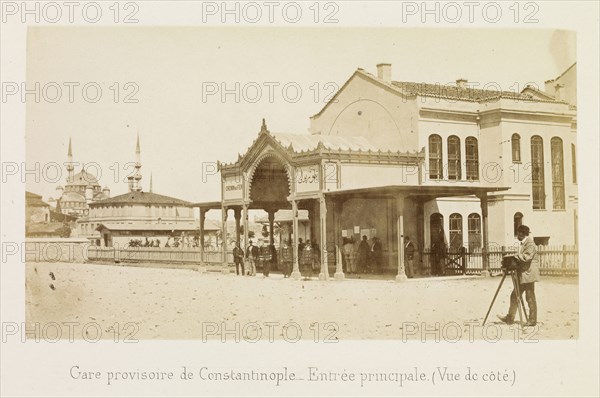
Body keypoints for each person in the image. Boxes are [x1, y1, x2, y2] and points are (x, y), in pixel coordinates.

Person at [497, 224, 540, 327]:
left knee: (529, 297)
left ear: (522, 233)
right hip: (523, 274)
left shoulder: (530, 244)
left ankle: (532, 320)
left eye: (518, 233)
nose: (517, 236)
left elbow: (527, 257)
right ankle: (510, 318)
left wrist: (516, 256)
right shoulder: (524, 243)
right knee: (514, 295)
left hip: (528, 274)